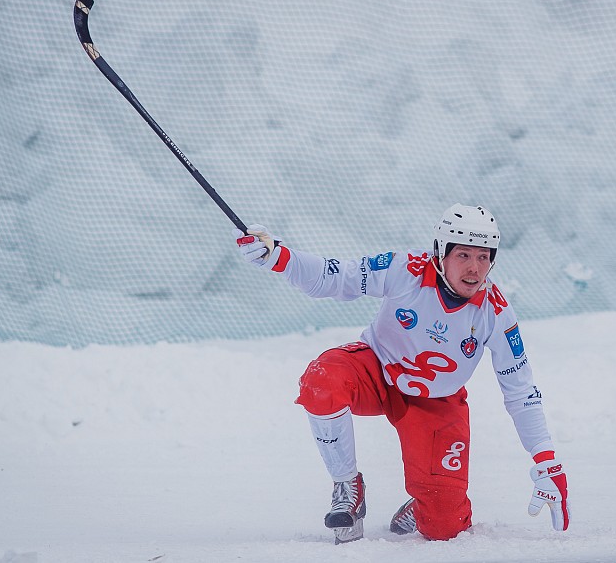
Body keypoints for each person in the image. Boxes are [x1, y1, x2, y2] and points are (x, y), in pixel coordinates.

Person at [232, 203, 570, 544]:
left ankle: (428, 501)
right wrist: (278, 256)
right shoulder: (405, 268)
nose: (474, 268)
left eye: (484, 257)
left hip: (437, 404)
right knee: (321, 380)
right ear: (440, 252)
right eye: (464, 255)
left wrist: (547, 461)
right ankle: (347, 485)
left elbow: (521, 391)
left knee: (444, 528)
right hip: (376, 372)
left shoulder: (495, 312)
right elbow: (333, 277)